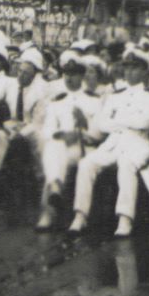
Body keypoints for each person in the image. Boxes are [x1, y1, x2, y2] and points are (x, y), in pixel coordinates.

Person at [65, 49, 149, 237]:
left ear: (145, 71)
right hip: (114, 142)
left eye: (135, 68)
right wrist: (127, 119)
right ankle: (80, 215)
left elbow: (145, 122)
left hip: (138, 143)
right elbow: (102, 124)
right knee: (86, 163)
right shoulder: (115, 95)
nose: (129, 73)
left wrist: (118, 119)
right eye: (127, 68)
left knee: (126, 165)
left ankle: (125, 219)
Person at [35, 53, 102, 232]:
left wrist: (83, 127)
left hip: (84, 147)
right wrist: (63, 135)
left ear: (81, 76)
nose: (69, 78)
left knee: (54, 156)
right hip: (63, 147)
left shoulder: (94, 100)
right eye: (66, 74)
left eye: (74, 74)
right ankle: (54, 195)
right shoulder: (57, 100)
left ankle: (52, 207)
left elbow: (99, 133)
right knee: (53, 147)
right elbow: (48, 129)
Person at [0, 48, 48, 175]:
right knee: (0, 134)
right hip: (14, 125)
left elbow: (38, 122)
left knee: (30, 138)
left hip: (35, 128)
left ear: (35, 74)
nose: (20, 75)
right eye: (19, 71)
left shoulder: (42, 89)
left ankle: (39, 175)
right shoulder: (12, 84)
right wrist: (9, 125)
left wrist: (21, 130)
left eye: (26, 73)